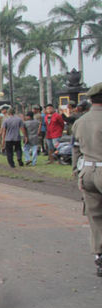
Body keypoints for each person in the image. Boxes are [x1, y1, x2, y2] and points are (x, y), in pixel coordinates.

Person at [71, 82, 102, 277]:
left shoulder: (80, 121)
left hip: (87, 172)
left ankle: (99, 256)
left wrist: (76, 172)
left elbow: (75, 149)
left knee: (95, 216)